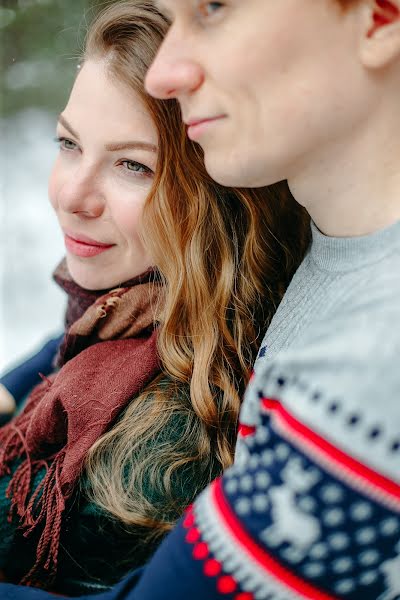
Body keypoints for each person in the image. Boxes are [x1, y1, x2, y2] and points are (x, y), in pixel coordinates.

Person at [3, 0, 400, 598]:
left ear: (379, 17)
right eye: (67, 141)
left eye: (212, 8)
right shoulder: (325, 248)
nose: (166, 73)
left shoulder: (369, 367)